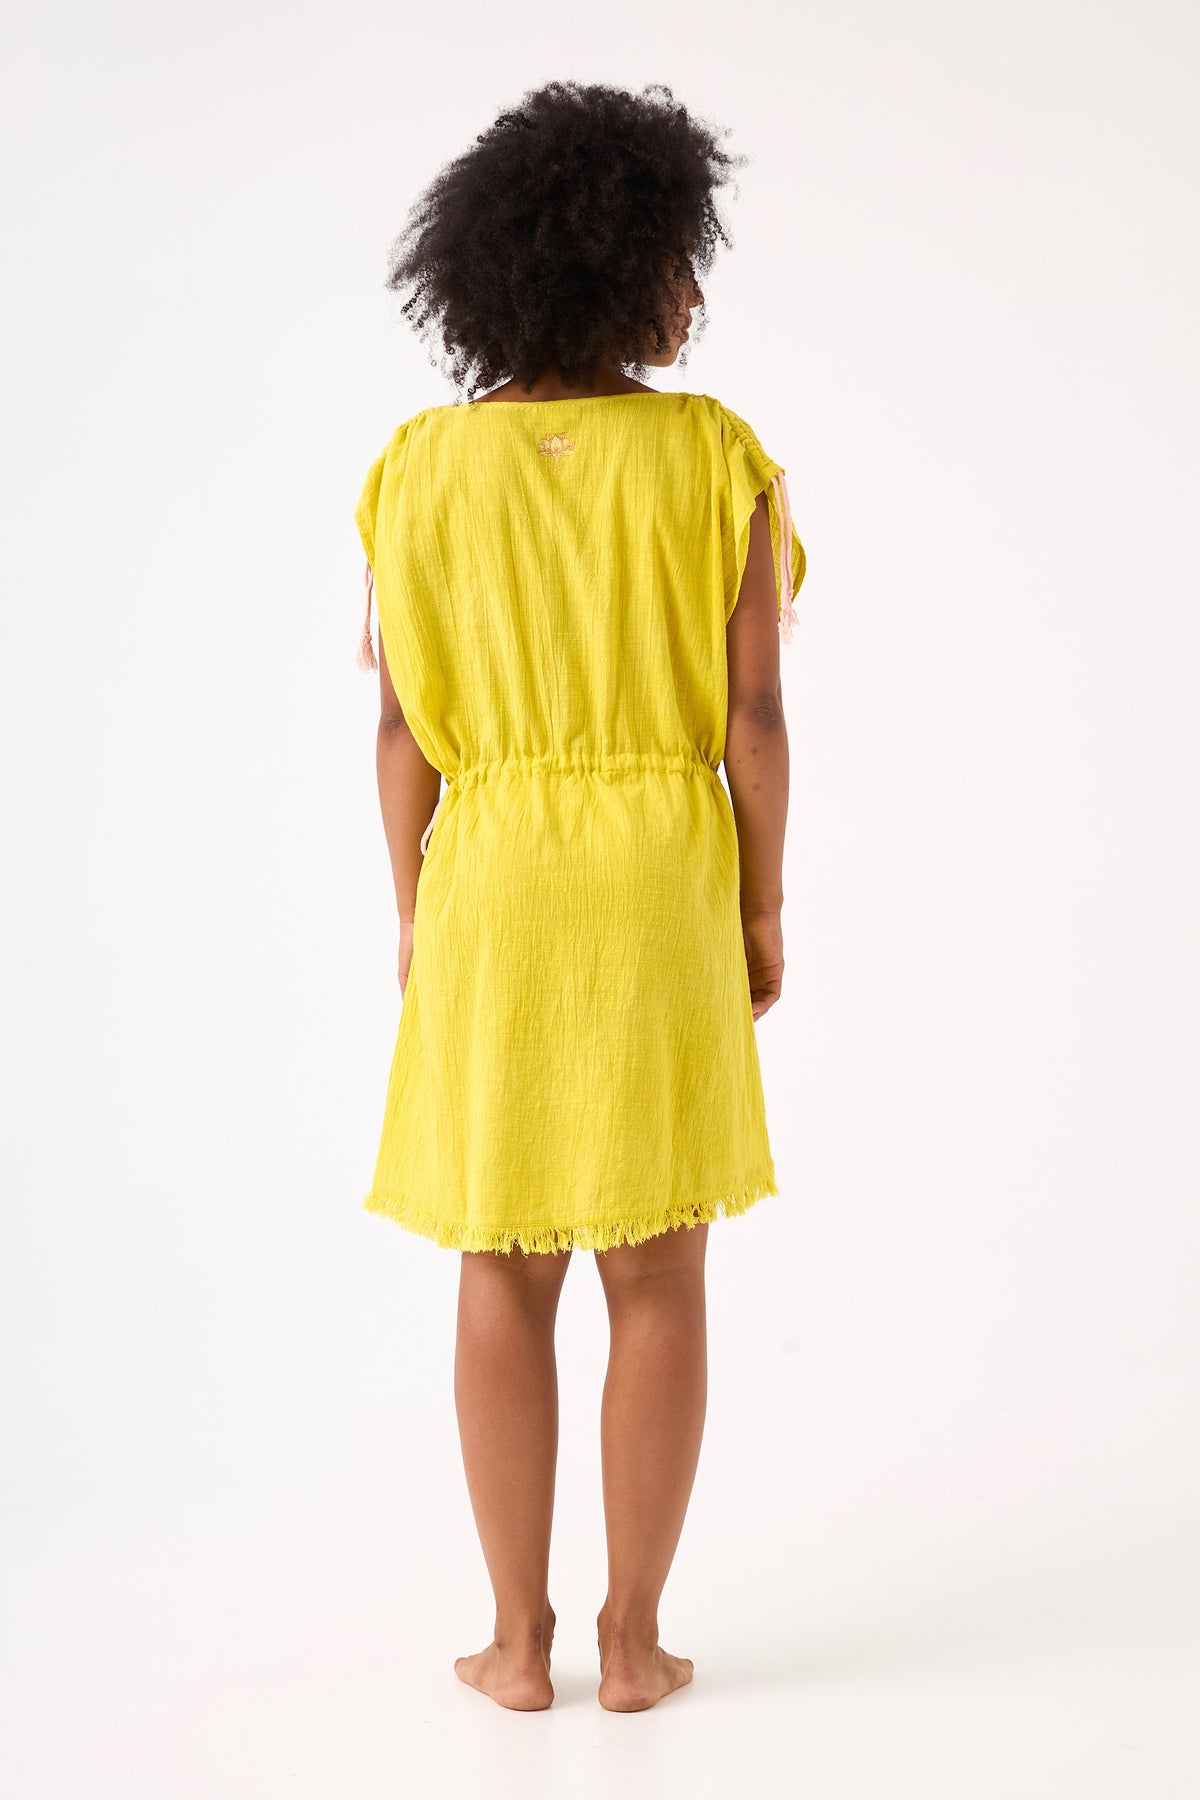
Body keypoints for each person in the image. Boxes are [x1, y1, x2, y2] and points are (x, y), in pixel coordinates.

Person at [352, 79, 805, 1714]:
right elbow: (754, 719)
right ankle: (633, 1640)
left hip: (493, 877)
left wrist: (416, 909)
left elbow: (400, 730)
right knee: (659, 1271)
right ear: (631, 267)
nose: (691, 291)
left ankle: (513, 1641)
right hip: (658, 877)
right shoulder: (715, 461)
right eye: (681, 260)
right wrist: (762, 907)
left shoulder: (418, 472)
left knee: (500, 1260)